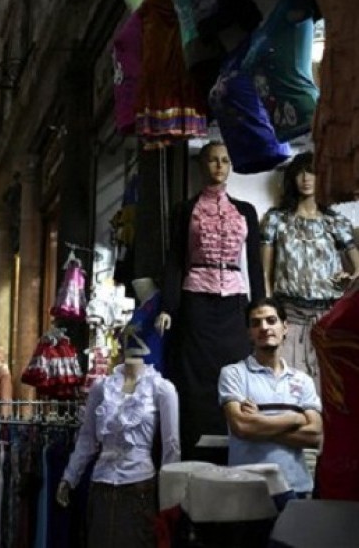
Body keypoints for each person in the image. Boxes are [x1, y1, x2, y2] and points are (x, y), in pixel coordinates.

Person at [156, 141, 265, 463]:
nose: (219, 166)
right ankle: (193, 453)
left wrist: (261, 307)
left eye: (225, 161)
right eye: (213, 160)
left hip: (234, 302)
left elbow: (255, 263)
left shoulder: (245, 211)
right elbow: (176, 259)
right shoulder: (185, 209)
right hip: (196, 301)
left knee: (235, 370)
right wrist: (168, 307)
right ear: (202, 165)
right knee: (194, 376)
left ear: (231, 166)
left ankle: (236, 446)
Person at [261, 152, 359, 392]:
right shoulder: (277, 220)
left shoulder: (335, 222)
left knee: (329, 386)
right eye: (301, 172)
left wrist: (350, 277)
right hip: (290, 314)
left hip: (327, 313)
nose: (306, 178)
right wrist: (270, 309)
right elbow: (265, 272)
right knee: (287, 385)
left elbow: (358, 267)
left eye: (313, 172)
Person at [56, 358, 180, 548]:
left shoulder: (162, 389)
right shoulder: (101, 388)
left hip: (139, 487)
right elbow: (87, 438)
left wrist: (169, 496)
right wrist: (69, 477)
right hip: (101, 487)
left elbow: (171, 445)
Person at [218, 298, 322, 502]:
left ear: (285, 327)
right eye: (256, 323)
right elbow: (241, 427)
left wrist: (259, 422)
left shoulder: (303, 381)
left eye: (271, 320)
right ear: (249, 333)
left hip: (296, 487)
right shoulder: (233, 374)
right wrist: (295, 419)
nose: (264, 327)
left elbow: (314, 435)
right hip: (247, 488)